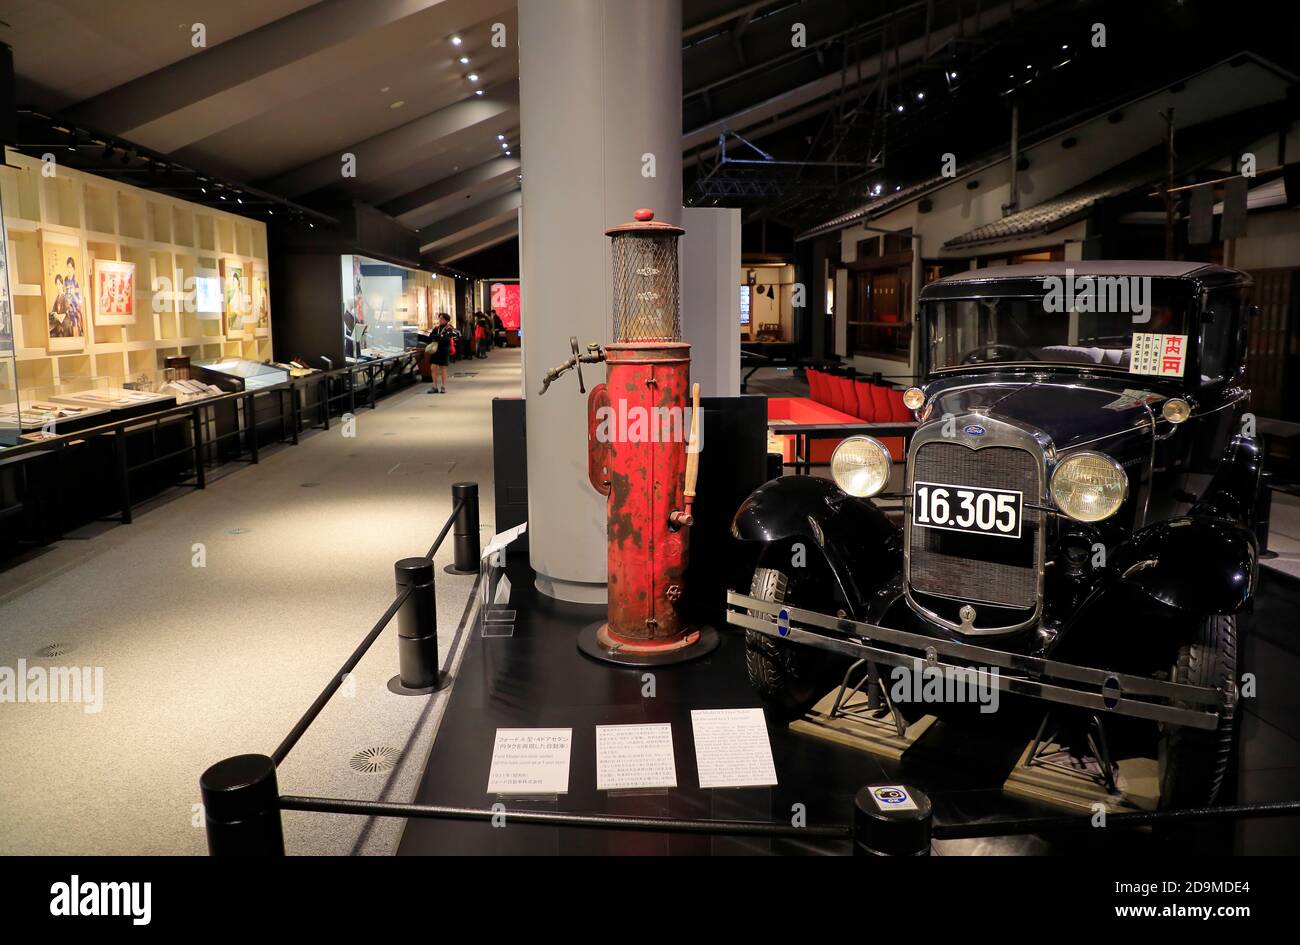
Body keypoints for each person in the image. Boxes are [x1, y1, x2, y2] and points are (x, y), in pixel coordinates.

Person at [426, 312, 454, 393]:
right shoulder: (436, 328)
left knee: (443, 369)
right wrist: (439, 337)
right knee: (433, 368)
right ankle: (434, 386)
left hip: (444, 350)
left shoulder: (449, 329)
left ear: (446, 320)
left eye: (442, 318)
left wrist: (437, 337)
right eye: (439, 318)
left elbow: (445, 339)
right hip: (435, 350)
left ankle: (443, 386)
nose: (440, 320)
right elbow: (430, 337)